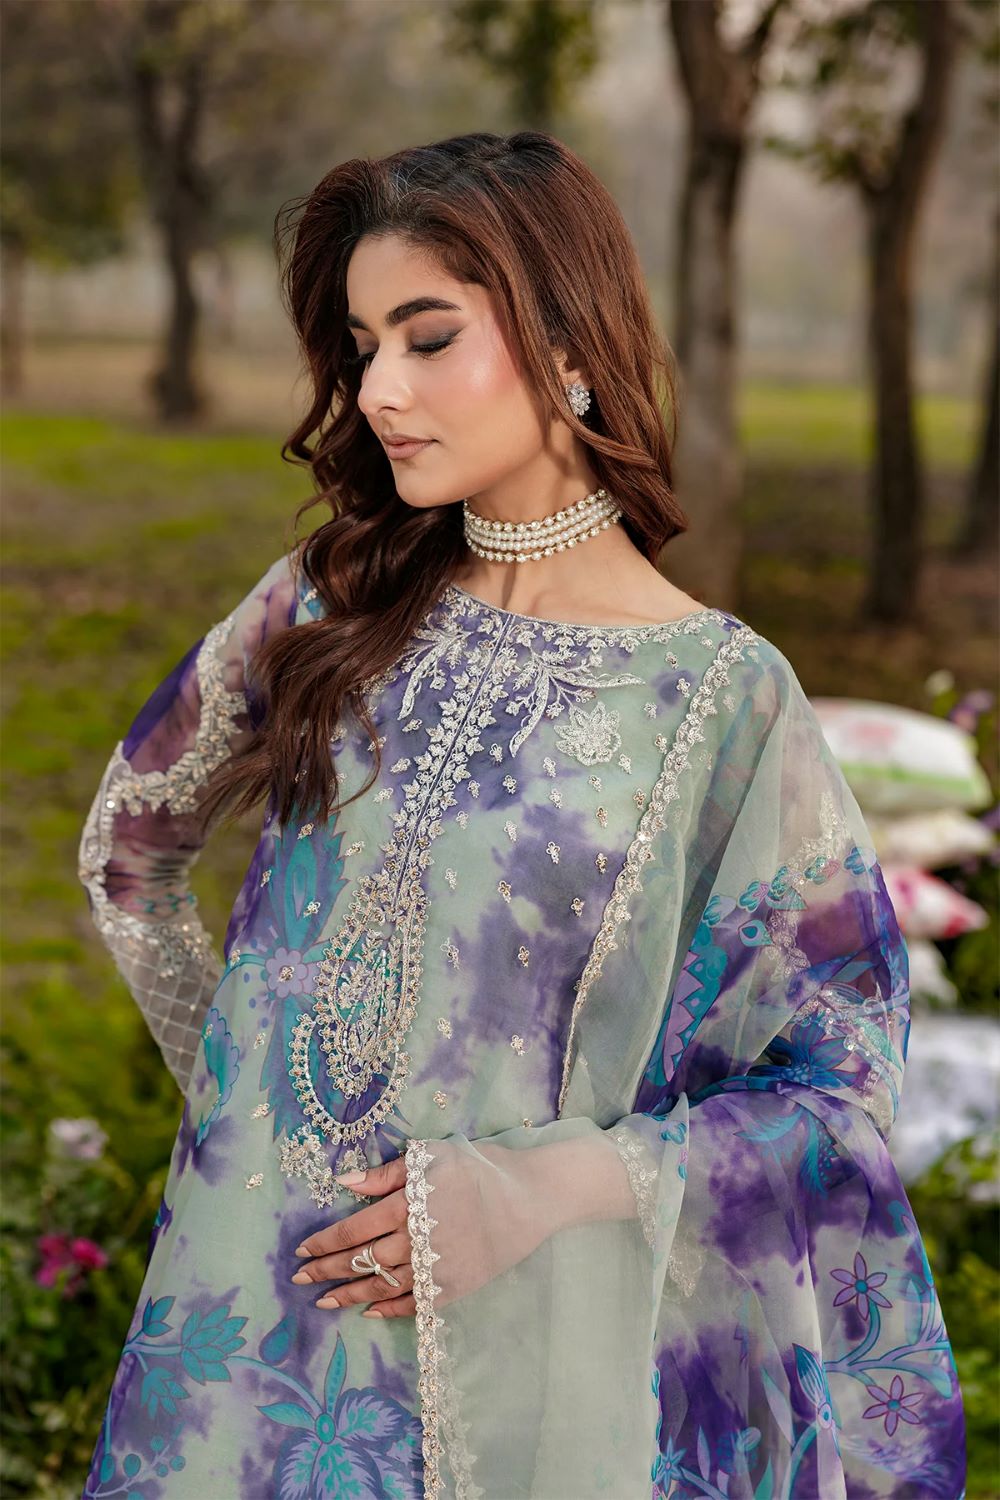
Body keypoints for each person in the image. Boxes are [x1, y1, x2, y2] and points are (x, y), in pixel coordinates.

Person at [79, 131, 965, 1500]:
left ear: (568, 345)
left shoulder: (719, 701)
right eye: (362, 346)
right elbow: (126, 855)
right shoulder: (328, 602)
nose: (378, 389)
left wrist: (543, 1192)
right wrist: (245, 1124)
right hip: (247, 1348)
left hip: (531, 1370)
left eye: (428, 338)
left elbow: (835, 1099)